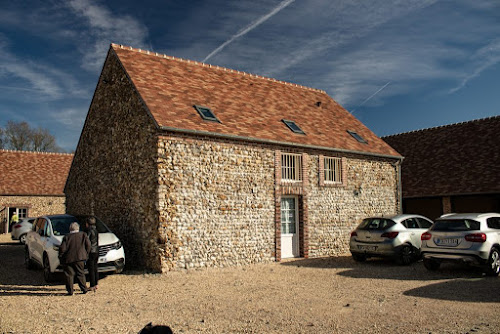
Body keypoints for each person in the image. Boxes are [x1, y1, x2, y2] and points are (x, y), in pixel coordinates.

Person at [59, 222, 90, 295]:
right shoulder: (83, 235)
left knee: (69, 275)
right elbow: (88, 245)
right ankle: (84, 288)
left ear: (70, 229)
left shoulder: (67, 237)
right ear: (78, 228)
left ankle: (70, 291)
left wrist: (61, 257)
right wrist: (85, 254)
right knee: (81, 273)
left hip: (68, 258)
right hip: (80, 258)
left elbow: (62, 249)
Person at [86, 217, 99, 292]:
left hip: (91, 251)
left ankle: (92, 285)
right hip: (96, 250)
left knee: (91, 269)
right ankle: (96, 284)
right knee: (95, 268)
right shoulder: (96, 230)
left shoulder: (89, 231)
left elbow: (87, 241)